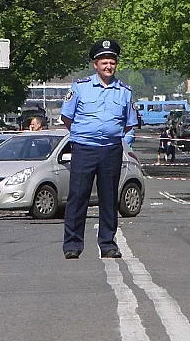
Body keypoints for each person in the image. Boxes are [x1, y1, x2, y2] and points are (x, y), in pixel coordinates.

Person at [61, 39, 137, 259]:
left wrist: (118, 139)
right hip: (84, 149)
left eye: (112, 62)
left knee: (108, 197)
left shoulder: (124, 91)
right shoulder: (80, 87)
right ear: (95, 64)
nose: (108, 66)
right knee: (78, 196)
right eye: (104, 62)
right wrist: (83, 134)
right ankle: (72, 245)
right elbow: (67, 117)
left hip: (110, 150)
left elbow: (129, 123)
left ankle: (107, 244)